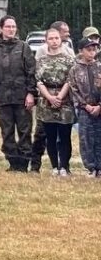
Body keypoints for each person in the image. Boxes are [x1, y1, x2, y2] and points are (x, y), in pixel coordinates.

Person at [0, 16, 36, 172]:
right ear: (1, 29)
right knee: (7, 132)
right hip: (3, 97)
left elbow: (31, 72)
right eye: (8, 26)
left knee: (24, 131)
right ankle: (13, 162)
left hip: (22, 97)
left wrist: (31, 93)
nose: (11, 29)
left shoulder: (24, 47)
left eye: (13, 27)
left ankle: (24, 163)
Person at [34, 27, 75, 176]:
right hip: (46, 101)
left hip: (64, 101)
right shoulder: (41, 60)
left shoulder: (69, 59)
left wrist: (59, 97)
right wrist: (49, 97)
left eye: (56, 38)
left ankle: (64, 166)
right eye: (51, 38)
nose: (54, 41)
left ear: (61, 39)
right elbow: (38, 81)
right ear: (46, 41)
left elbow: (70, 80)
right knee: (50, 135)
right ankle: (54, 166)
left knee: (64, 134)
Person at [69, 38, 101, 177]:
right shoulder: (75, 69)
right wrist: (85, 106)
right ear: (81, 51)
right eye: (88, 50)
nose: (92, 52)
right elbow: (73, 90)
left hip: (99, 109)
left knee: (99, 138)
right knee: (86, 139)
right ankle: (91, 167)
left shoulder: (99, 67)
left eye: (94, 49)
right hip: (84, 110)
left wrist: (99, 106)